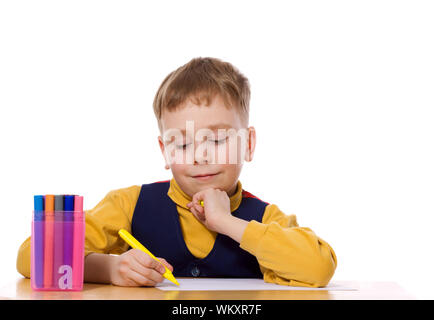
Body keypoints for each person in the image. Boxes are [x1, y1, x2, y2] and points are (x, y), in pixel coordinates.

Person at [17, 57, 337, 287]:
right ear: (164, 152)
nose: (199, 155)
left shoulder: (264, 219)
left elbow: (318, 267)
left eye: (217, 139)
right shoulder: (130, 204)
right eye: (181, 145)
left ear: (248, 143)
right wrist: (109, 268)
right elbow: (31, 256)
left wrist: (227, 223)